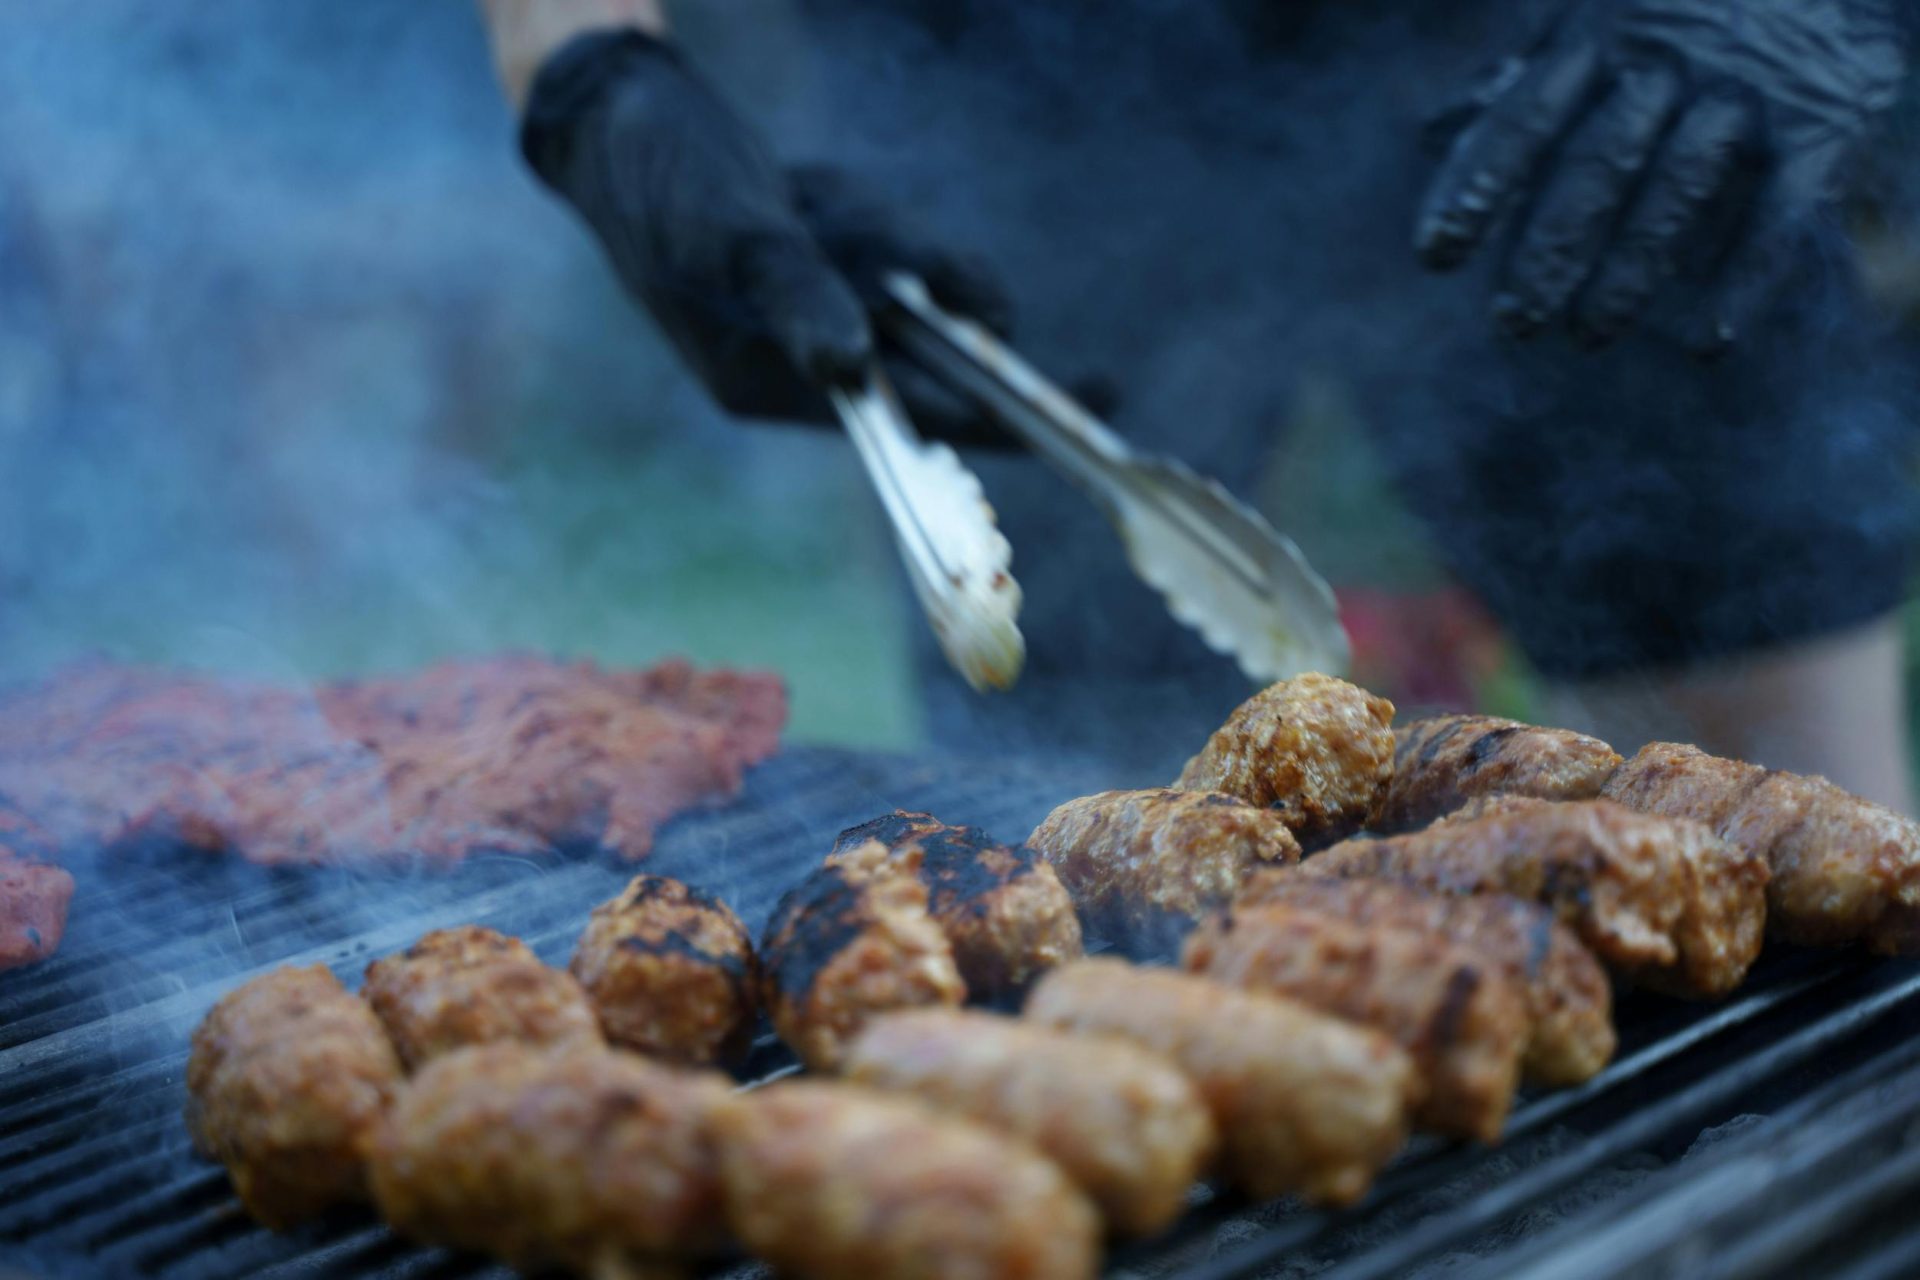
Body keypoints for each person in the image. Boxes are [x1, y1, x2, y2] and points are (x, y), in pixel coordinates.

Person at [478, 0, 1920, 809]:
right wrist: (589, 71)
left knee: (1795, 820)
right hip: (1014, 98)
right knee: (1082, 800)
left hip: (1603, 78)